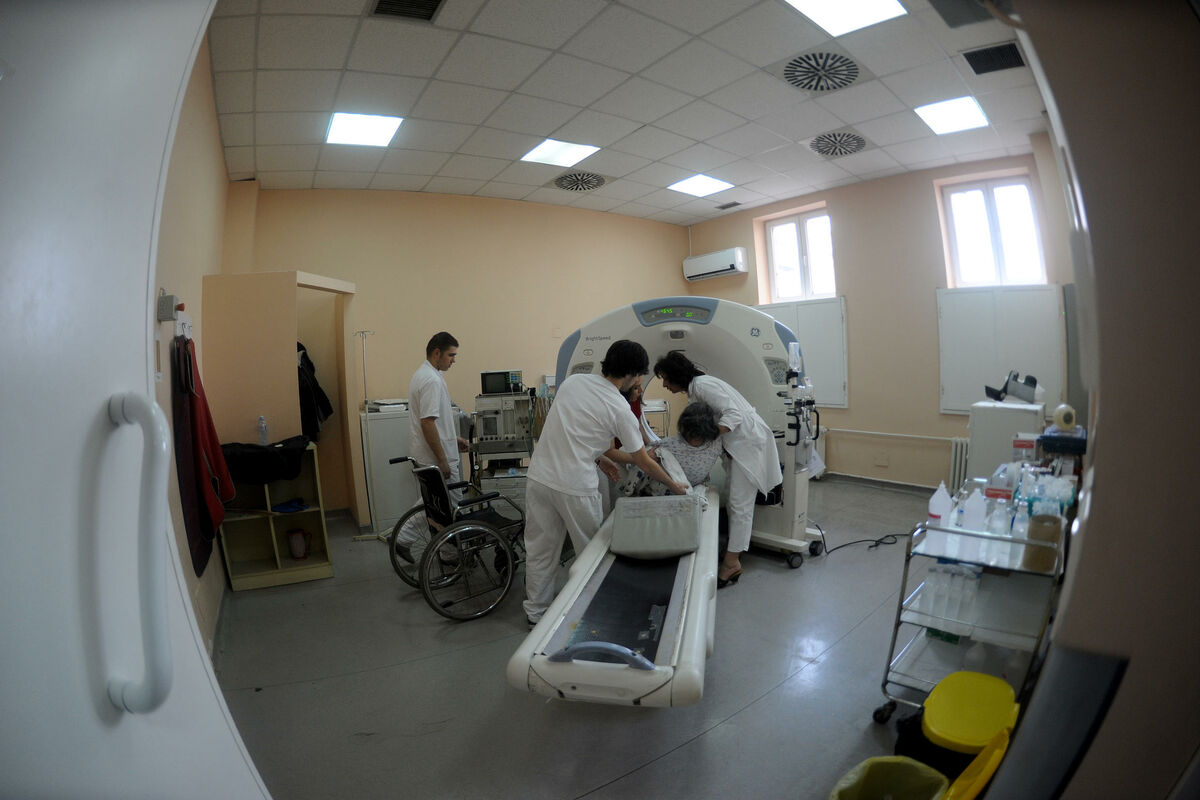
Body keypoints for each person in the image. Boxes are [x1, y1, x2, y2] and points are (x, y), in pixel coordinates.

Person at [523, 340, 688, 626]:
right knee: (591, 552)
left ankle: (535, 613)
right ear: (632, 374)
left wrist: (600, 458)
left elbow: (574, 432)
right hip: (575, 486)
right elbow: (642, 460)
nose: (639, 381)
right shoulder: (619, 407)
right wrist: (675, 487)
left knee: (540, 550)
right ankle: (591, 610)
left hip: (539, 477)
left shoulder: (573, 383)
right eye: (640, 376)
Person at [654, 350, 783, 588]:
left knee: (740, 505)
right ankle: (733, 552)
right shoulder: (697, 389)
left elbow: (733, 413)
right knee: (734, 501)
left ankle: (731, 563)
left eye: (666, 379)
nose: (664, 385)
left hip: (748, 445)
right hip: (739, 446)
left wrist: (708, 437)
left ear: (676, 376)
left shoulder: (703, 385)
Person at [393, 331, 470, 561]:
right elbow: (427, 422)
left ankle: (410, 540)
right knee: (447, 505)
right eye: (451, 355)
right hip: (435, 457)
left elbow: (434, 421)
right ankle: (446, 553)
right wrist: (443, 459)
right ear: (437, 353)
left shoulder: (425, 374)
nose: (454, 360)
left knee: (436, 502)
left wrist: (453, 439)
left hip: (429, 452)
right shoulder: (431, 380)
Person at [618, 401, 724, 497]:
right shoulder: (672, 444)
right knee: (653, 454)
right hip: (676, 483)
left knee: (651, 454)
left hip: (685, 484)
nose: (695, 440)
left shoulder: (714, 444)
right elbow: (646, 457)